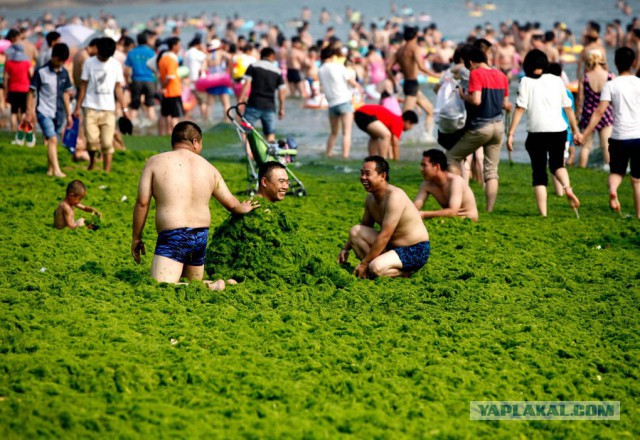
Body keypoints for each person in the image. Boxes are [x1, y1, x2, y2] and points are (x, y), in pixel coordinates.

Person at [132, 121, 258, 290]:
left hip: (173, 236)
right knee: (193, 285)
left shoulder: (155, 162)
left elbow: (142, 203)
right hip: (200, 237)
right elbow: (232, 204)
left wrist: (136, 238)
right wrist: (244, 207)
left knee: (161, 286)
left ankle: (212, 287)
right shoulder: (209, 168)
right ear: (195, 142)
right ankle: (223, 284)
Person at [507, 49, 581, 217]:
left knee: (539, 173)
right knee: (557, 165)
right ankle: (567, 188)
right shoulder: (557, 80)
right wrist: (576, 130)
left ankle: (543, 213)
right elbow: (568, 108)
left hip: (537, 133)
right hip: (559, 130)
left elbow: (520, 108)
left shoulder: (525, 81)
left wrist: (511, 133)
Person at [338, 156, 430, 279]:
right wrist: (345, 249)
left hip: (415, 249)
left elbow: (385, 235)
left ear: (382, 176)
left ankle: (403, 273)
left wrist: (364, 263)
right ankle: (377, 268)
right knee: (355, 231)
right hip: (392, 248)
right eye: (362, 173)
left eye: (367, 174)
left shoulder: (395, 197)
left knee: (375, 268)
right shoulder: (370, 199)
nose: (363, 178)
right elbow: (364, 227)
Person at [446, 46, 512, 212]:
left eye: (468, 66)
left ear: (471, 62)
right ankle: (489, 209)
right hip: (498, 127)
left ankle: (459, 199)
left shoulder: (476, 73)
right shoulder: (502, 75)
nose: (469, 69)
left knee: (452, 156)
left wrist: (462, 95)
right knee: (491, 171)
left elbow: (476, 100)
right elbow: (506, 104)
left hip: (481, 127)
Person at [579, 47, 640, 218]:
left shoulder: (611, 84)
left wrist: (584, 134)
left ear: (615, 63)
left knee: (616, 172)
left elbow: (599, 112)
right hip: (638, 137)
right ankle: (639, 215)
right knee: (637, 179)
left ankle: (613, 190)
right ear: (633, 63)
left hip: (619, 136)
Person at [73, 37, 127, 172]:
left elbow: (118, 87)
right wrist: (78, 107)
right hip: (90, 107)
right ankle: (92, 162)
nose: (104, 58)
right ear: (97, 50)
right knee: (91, 142)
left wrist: (124, 108)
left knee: (107, 143)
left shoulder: (115, 65)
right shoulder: (89, 63)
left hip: (109, 109)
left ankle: (106, 171)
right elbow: (83, 86)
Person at [25, 43, 74, 178]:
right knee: (52, 139)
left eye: (63, 61)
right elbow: (31, 92)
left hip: (59, 113)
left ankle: (50, 169)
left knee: (54, 141)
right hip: (44, 110)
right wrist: (30, 111)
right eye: (59, 60)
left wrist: (69, 114)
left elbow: (65, 94)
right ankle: (57, 170)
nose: (61, 63)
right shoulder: (41, 72)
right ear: (53, 57)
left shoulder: (64, 73)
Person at [386, 26, 439, 141]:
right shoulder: (414, 48)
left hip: (409, 84)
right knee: (403, 121)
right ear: (415, 36)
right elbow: (421, 67)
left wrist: (393, 82)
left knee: (430, 110)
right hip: (412, 85)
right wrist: (436, 75)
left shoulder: (399, 50)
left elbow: (388, 68)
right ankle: (390, 139)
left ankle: (427, 136)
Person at [317, 46, 361, 158]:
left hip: (331, 104)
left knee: (334, 132)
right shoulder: (338, 66)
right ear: (332, 56)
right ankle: (345, 156)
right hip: (344, 102)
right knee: (346, 133)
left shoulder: (320, 70)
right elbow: (351, 82)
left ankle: (328, 153)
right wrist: (358, 87)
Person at [413, 149, 479, 222]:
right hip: (449, 219)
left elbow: (453, 211)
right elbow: (414, 209)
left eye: (424, 165)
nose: (421, 169)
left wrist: (424, 214)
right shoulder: (427, 184)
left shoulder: (456, 181)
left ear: (437, 167)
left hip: (467, 219)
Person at [576, 50, 614, 169]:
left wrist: (577, 115)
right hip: (606, 114)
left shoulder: (585, 77)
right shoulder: (610, 76)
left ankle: (582, 169)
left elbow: (579, 100)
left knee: (586, 146)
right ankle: (609, 169)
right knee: (606, 146)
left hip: (588, 114)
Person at [239, 47, 286, 143]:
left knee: (244, 131)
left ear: (261, 55)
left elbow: (247, 84)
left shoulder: (253, 66)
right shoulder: (277, 71)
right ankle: (270, 154)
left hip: (253, 104)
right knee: (270, 134)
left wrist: (240, 100)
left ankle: (249, 153)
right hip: (270, 107)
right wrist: (281, 108)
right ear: (272, 56)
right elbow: (281, 92)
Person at [354, 104, 418, 159]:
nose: (411, 128)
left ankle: (372, 159)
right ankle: (382, 160)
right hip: (365, 114)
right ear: (408, 122)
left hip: (359, 114)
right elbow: (395, 144)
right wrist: (396, 160)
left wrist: (391, 156)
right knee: (386, 135)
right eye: (412, 125)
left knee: (375, 136)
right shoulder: (399, 122)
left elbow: (390, 144)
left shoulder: (394, 119)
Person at [125, 30, 158, 127]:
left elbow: (127, 70)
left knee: (134, 106)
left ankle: (130, 128)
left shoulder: (131, 52)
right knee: (150, 106)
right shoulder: (151, 52)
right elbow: (155, 69)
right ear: (147, 40)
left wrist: (128, 82)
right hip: (149, 80)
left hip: (136, 80)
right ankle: (153, 128)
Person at [158, 37, 184, 135]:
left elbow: (160, 76)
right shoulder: (171, 59)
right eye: (179, 45)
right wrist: (163, 87)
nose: (180, 47)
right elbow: (170, 77)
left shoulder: (162, 58)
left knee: (165, 115)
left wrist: (162, 87)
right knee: (174, 116)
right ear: (174, 46)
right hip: (173, 91)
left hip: (166, 92)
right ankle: (176, 136)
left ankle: (164, 134)